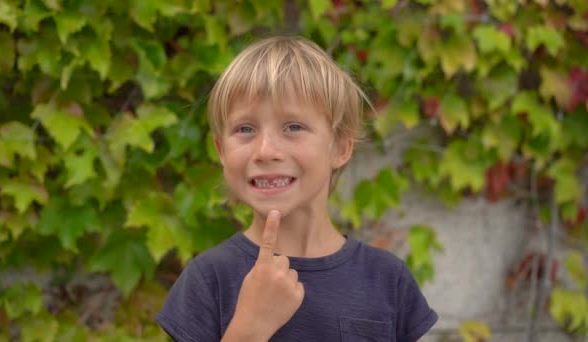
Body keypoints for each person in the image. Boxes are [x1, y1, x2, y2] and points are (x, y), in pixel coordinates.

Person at [156, 36, 438, 341]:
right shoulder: (207, 279)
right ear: (222, 151)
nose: (265, 150)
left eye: (293, 127)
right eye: (245, 129)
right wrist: (250, 328)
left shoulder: (387, 279)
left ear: (341, 147)